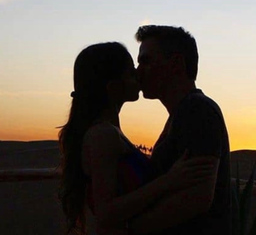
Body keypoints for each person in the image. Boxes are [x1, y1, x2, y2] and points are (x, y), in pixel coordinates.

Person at [58, 42, 213, 235]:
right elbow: (106, 212)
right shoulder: (102, 135)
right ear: (113, 87)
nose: (139, 76)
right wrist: (169, 180)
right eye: (131, 74)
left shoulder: (109, 132)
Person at [129, 25, 232, 235]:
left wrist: (131, 228)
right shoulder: (183, 113)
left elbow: (198, 198)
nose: (138, 72)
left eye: (146, 61)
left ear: (176, 64)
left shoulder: (198, 110)